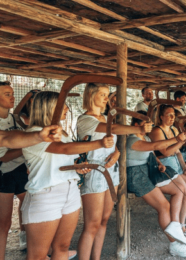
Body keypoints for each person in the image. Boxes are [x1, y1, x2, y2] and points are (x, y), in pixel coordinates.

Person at [21, 91, 115, 260]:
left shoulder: (62, 135)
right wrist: (99, 143)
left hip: (69, 191)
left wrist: (77, 168)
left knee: (63, 247)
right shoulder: (34, 134)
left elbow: (62, 161)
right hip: (45, 195)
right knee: (38, 255)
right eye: (62, 105)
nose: (67, 108)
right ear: (49, 108)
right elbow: (63, 150)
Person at [77, 83, 152, 260]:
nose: (105, 98)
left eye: (106, 94)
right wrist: (137, 129)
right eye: (102, 94)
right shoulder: (85, 119)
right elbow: (113, 130)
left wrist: (117, 153)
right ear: (90, 95)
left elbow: (116, 142)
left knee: (104, 220)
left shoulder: (105, 117)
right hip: (94, 171)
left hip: (111, 171)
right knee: (91, 225)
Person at [0, 83, 61, 260]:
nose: (12, 97)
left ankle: (33, 246)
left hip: (19, 169)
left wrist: (28, 96)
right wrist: (31, 146)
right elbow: (3, 157)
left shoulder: (14, 119)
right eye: (7, 94)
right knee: (3, 223)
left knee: (30, 208)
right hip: (4, 173)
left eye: (12, 93)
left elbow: (20, 110)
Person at [126, 111, 186, 257]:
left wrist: (158, 163)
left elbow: (151, 152)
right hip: (136, 175)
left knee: (178, 190)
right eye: (146, 124)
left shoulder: (145, 137)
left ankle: (175, 224)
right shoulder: (132, 140)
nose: (149, 126)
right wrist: (176, 139)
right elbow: (155, 146)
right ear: (136, 125)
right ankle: (174, 244)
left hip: (147, 171)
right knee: (163, 206)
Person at [149, 104, 186, 234]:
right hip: (164, 167)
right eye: (169, 115)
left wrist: (184, 166)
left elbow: (178, 152)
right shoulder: (157, 131)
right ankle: (181, 227)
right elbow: (166, 152)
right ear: (161, 117)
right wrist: (180, 141)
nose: (172, 117)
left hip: (177, 166)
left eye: (173, 115)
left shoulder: (174, 130)